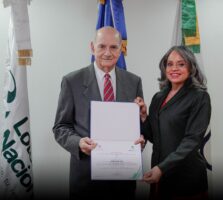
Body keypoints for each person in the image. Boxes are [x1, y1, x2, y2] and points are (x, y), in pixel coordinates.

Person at [53, 26, 145, 200]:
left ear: (121, 49)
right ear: (92, 47)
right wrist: (79, 142)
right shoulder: (72, 81)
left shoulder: (134, 82)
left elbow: (140, 127)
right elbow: (60, 127)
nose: (107, 53)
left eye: (113, 47)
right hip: (86, 181)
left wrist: (142, 136)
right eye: (102, 46)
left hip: (123, 181)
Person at [135, 45, 211, 200]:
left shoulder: (200, 97)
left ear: (191, 67)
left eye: (181, 64)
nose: (174, 68)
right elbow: (154, 136)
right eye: (170, 64)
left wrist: (161, 169)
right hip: (159, 176)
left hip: (186, 179)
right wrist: (143, 116)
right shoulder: (158, 97)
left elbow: (191, 141)